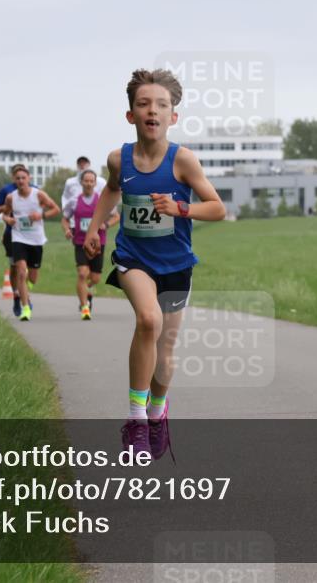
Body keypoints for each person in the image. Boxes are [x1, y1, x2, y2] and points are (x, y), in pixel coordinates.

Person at [83, 68, 226, 458]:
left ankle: (158, 411)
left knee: (165, 353)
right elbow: (112, 191)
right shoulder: (119, 159)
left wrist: (181, 207)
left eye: (162, 105)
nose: (153, 110)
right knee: (148, 320)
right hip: (134, 259)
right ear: (130, 115)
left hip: (176, 265)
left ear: (173, 117)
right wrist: (95, 229)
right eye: (144, 103)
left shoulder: (184, 161)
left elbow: (217, 208)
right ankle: (137, 420)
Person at [1, 165, 60, 321]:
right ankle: (25, 308)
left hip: (36, 239)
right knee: (21, 271)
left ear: (29, 179)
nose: (20, 180)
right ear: (14, 180)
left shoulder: (39, 195)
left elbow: (56, 209)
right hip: (18, 237)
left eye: (23, 178)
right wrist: (9, 220)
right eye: (18, 178)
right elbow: (4, 215)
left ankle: (26, 289)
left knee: (32, 277)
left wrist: (41, 215)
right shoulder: (11, 197)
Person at [62, 169, 119, 319]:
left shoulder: (102, 200)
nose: (88, 183)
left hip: (98, 243)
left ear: (95, 183)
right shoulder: (74, 201)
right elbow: (65, 218)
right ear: (81, 182)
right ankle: (84, 307)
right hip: (80, 242)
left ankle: (85, 291)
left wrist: (105, 225)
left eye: (91, 181)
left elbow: (116, 216)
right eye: (85, 181)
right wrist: (67, 230)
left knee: (95, 278)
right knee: (82, 274)